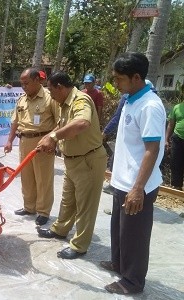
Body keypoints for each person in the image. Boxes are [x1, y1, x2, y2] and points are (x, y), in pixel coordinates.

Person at [101, 52, 166, 295]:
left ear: (136, 77)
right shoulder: (131, 99)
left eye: (119, 79)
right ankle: (119, 263)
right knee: (119, 229)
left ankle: (132, 281)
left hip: (138, 184)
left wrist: (138, 188)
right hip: (122, 180)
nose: (115, 84)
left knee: (134, 236)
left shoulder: (150, 106)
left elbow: (152, 149)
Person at [36, 71, 107, 259]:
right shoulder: (63, 103)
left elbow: (82, 123)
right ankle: (60, 229)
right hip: (72, 160)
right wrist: (49, 137)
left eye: (51, 90)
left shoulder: (80, 100)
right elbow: (62, 126)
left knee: (85, 206)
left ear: (60, 87)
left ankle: (79, 246)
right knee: (68, 201)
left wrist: (54, 137)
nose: (50, 94)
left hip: (88, 160)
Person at [4, 67, 59, 226]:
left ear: (37, 80)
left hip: (43, 141)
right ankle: (29, 207)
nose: (23, 86)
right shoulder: (21, 99)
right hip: (24, 141)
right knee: (26, 176)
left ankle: (43, 211)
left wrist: (52, 140)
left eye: (26, 83)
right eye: (21, 83)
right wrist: (9, 140)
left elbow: (60, 122)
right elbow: (15, 121)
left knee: (43, 178)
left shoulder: (50, 98)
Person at [165, 99, 184, 190]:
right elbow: (171, 124)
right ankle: (176, 186)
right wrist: (166, 139)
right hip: (177, 138)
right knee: (175, 162)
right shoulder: (177, 107)